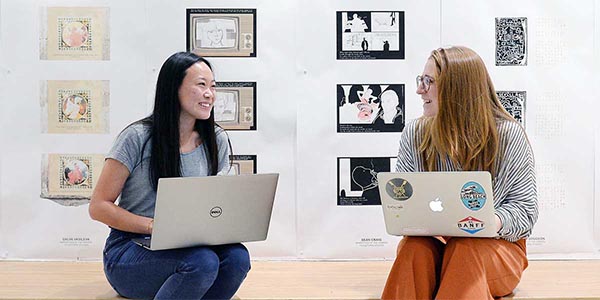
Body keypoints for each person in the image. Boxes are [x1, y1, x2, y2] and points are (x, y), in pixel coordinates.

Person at [89, 52, 250, 300]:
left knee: (237, 258)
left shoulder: (216, 139)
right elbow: (98, 207)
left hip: (191, 245)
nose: (210, 94)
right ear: (173, 88)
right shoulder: (137, 138)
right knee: (202, 262)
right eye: (201, 85)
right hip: (131, 248)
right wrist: (155, 226)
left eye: (213, 86)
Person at [381, 46, 538, 300]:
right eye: (421, 80)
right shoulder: (415, 133)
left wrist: (486, 222)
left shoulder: (508, 135)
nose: (420, 89)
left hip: (496, 249)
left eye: (429, 82)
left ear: (457, 89)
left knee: (465, 248)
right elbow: (404, 203)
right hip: (435, 245)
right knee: (413, 249)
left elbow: (525, 211)